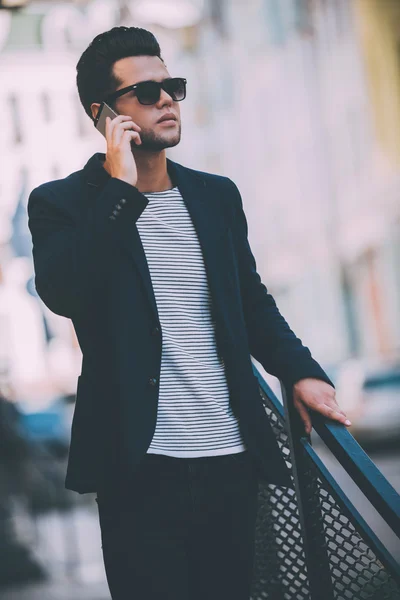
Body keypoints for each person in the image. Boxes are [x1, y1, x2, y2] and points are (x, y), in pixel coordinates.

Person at [27, 26, 352, 600]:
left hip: (230, 455)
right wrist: (119, 191)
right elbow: (67, 294)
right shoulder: (62, 204)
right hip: (137, 466)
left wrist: (300, 370)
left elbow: (249, 300)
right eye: (146, 93)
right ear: (105, 116)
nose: (168, 100)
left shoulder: (215, 195)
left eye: (172, 86)